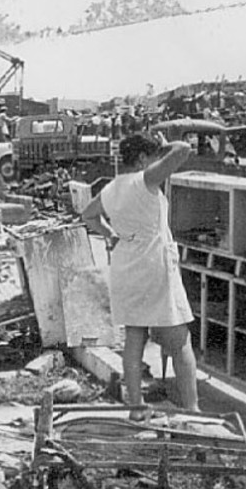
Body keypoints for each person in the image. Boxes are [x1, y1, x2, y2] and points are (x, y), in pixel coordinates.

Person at [80, 133, 198, 418]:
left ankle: (136, 406)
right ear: (144, 158)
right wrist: (165, 144)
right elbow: (184, 148)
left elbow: (88, 214)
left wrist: (110, 236)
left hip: (125, 264)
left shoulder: (112, 187)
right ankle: (193, 408)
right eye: (154, 156)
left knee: (135, 338)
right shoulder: (145, 179)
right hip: (152, 265)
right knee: (180, 340)